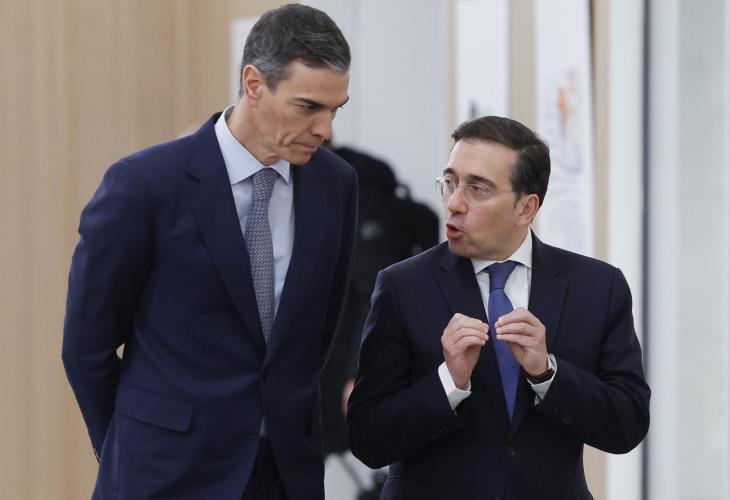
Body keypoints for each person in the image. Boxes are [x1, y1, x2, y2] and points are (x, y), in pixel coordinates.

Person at [62, 4, 355, 499]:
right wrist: (124, 448)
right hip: (162, 476)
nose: (324, 129)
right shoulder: (145, 185)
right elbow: (85, 347)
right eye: (308, 107)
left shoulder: (336, 183)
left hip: (286, 475)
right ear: (253, 83)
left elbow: (316, 335)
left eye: (335, 110)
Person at [347, 116, 650, 500]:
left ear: (526, 208)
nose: (454, 203)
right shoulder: (402, 286)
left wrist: (548, 374)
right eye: (450, 183)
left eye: (477, 189)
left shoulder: (597, 287)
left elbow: (627, 425)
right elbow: (368, 438)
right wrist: (449, 382)